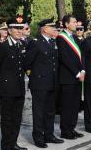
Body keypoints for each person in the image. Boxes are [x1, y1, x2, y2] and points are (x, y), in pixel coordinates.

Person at [24, 18, 64, 148]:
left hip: (52, 82)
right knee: (39, 112)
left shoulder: (52, 42)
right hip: (40, 83)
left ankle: (49, 135)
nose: (54, 29)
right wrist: (34, 76)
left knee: (50, 111)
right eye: (52, 27)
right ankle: (38, 137)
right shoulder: (36, 43)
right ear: (44, 29)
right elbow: (27, 63)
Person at [0, 15, 27, 150]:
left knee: (17, 118)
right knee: (7, 119)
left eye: (21, 28)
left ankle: (13, 143)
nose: (20, 31)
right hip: (7, 89)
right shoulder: (3, 46)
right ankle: (6, 146)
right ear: (9, 30)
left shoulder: (22, 44)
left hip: (19, 87)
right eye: (16, 29)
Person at [57, 14, 84, 139]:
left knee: (75, 105)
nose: (76, 24)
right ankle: (65, 131)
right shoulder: (61, 38)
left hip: (78, 76)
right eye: (73, 22)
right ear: (66, 24)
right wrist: (77, 72)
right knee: (67, 105)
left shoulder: (75, 38)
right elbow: (65, 58)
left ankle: (72, 128)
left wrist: (82, 70)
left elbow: (80, 56)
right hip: (68, 77)